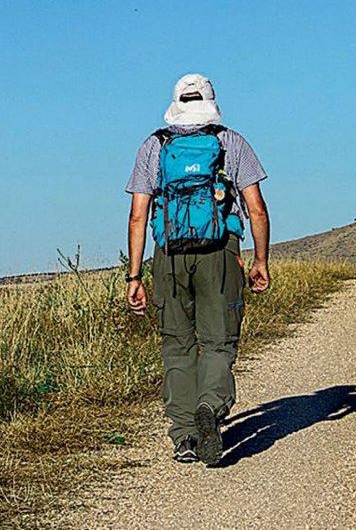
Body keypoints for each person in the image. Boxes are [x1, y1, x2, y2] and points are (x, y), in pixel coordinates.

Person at [124, 73, 270, 466]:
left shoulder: (154, 147)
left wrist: (134, 276)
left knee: (177, 345)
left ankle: (184, 435)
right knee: (218, 342)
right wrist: (260, 261)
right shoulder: (230, 143)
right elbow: (256, 208)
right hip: (220, 253)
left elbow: (139, 216)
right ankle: (211, 405)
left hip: (168, 255)